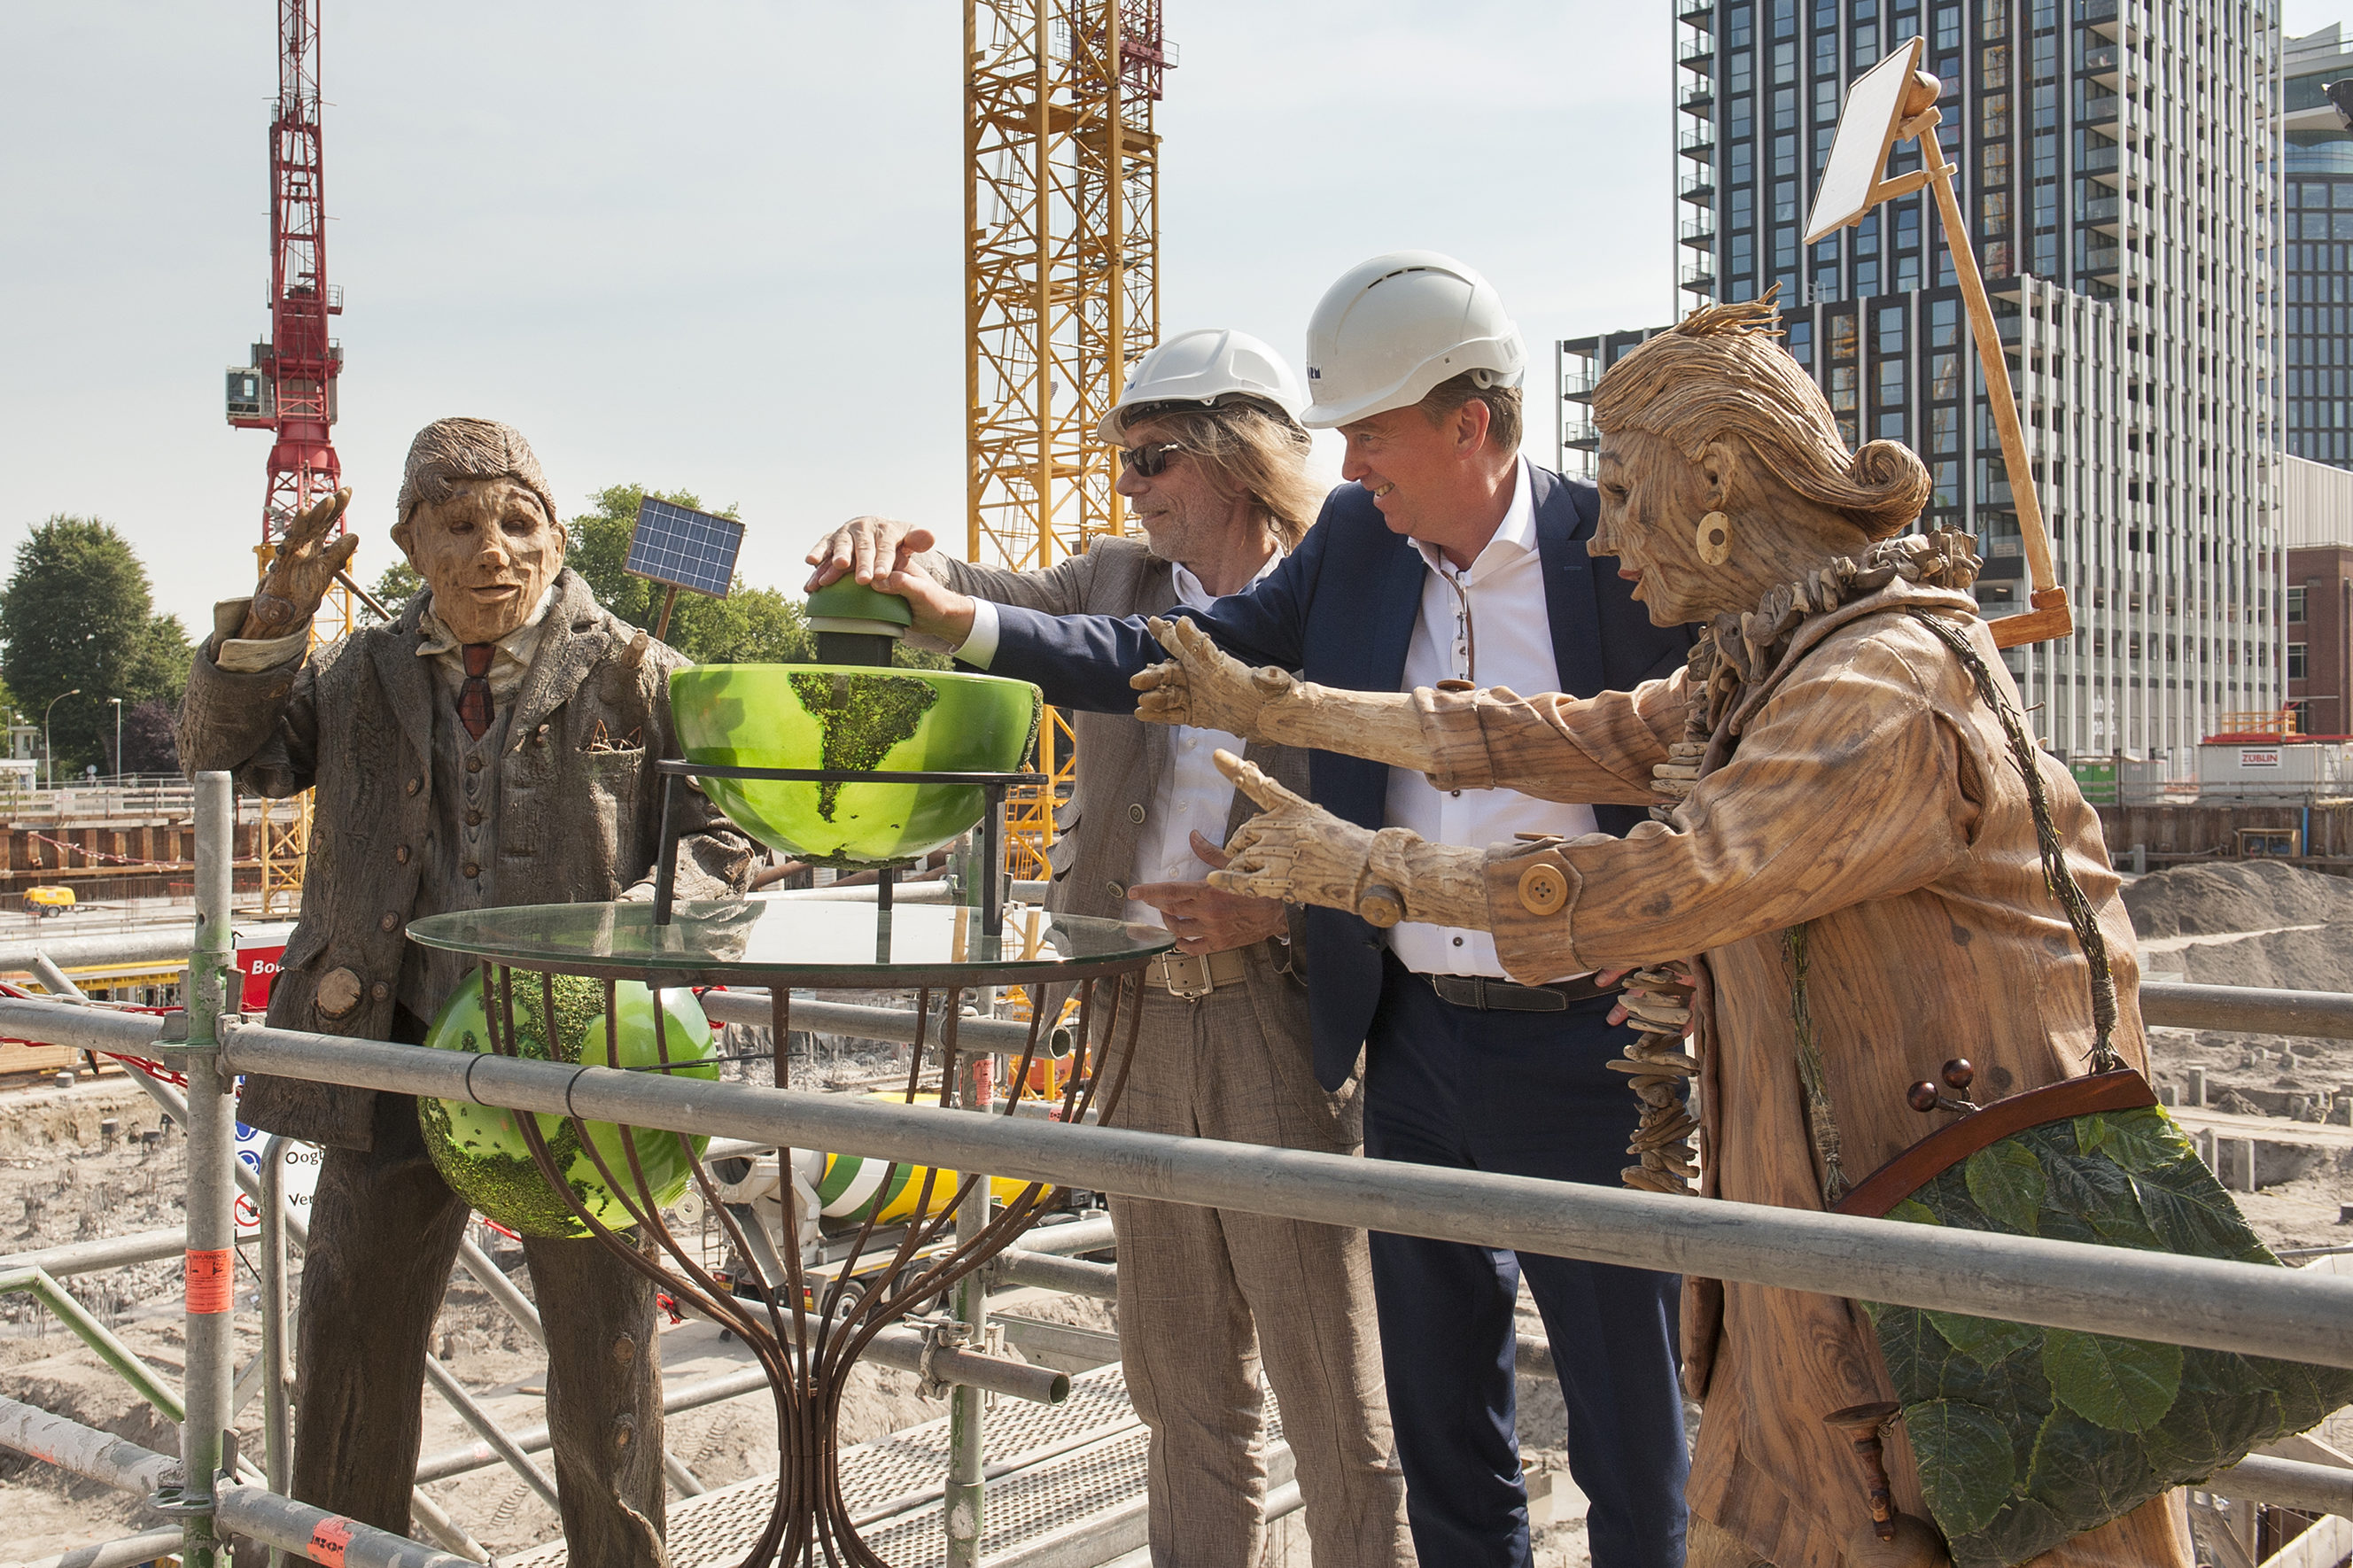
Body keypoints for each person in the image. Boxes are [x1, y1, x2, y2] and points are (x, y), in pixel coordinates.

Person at [1132, 297, 2192, 1568]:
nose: (1608, 532)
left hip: (1961, 1218)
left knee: (1981, 1520)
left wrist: (1368, 869)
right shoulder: (1780, 665)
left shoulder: (1873, 688)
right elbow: (1572, 732)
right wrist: (1284, 705)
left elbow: (1669, 881)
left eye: (1632, 495)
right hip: (1878, 1190)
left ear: (1720, 492)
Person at [827, 257, 1693, 1568]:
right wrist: (957, 618)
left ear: (1469, 421)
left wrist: (1690, 964)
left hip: (1588, 1049)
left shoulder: (1618, 550)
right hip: (1415, 1047)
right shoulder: (1357, 545)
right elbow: (1172, 657)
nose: (1346, 460)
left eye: (1371, 432)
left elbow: (1709, 771)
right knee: (1447, 1439)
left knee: (1627, 1439)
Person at [808, 328, 1413, 1568]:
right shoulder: (1111, 584)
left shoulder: (1341, 597)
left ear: (1238, 458)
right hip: (1134, 1023)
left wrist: (1282, 911)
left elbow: (1412, 829)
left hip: (1276, 1022)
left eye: (1153, 457)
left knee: (1334, 1395)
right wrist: (896, 555)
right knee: (1180, 1392)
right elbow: (978, 603)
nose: (1128, 485)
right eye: (1121, 458)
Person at [178, 417, 754, 1563]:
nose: (493, 550)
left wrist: (644, 938)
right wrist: (273, 625)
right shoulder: (357, 670)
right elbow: (226, 755)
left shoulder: (637, 669)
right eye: (458, 526)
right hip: (389, 1050)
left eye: (517, 523)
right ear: (409, 544)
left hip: (580, 1065)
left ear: (558, 536)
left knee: (606, 1357)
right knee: (350, 1339)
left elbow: (725, 840)